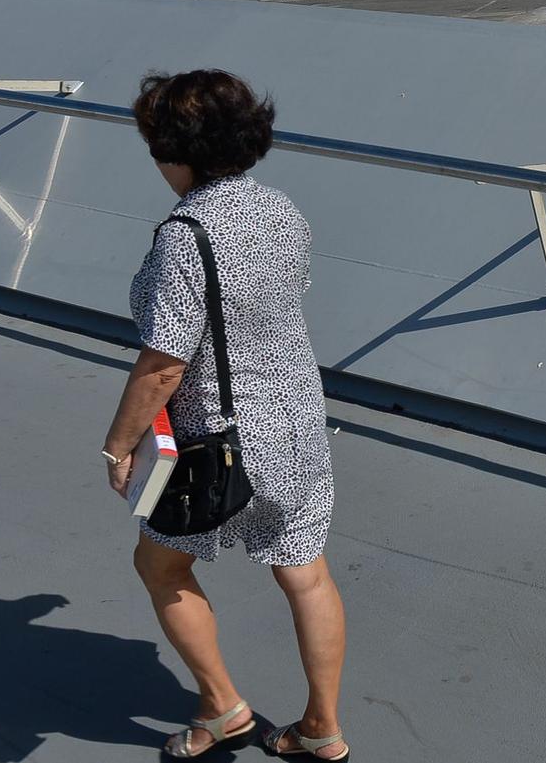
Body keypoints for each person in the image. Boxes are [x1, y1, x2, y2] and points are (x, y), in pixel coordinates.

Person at [101, 69, 350, 760]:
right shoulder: (280, 209)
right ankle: (322, 729)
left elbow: (164, 366)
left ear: (180, 153)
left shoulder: (185, 235)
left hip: (215, 442)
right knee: (306, 570)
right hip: (296, 425)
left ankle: (223, 705)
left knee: (160, 567)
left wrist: (119, 444)